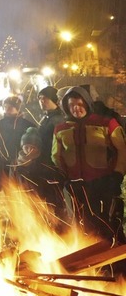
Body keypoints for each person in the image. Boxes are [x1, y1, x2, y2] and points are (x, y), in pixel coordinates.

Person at [52, 86, 126, 243]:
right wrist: (65, 177)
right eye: (71, 105)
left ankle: (117, 262)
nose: (76, 109)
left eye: (80, 104)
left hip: (104, 183)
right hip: (77, 186)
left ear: (87, 103)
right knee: (84, 227)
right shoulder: (61, 129)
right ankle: (91, 261)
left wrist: (117, 175)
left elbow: (122, 150)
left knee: (109, 224)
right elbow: (56, 156)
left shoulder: (107, 123)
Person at [0, 96, 35, 190]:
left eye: (10, 107)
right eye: (5, 106)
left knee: (20, 189)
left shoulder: (26, 124)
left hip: (20, 163)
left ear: (17, 108)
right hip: (2, 163)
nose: (7, 109)